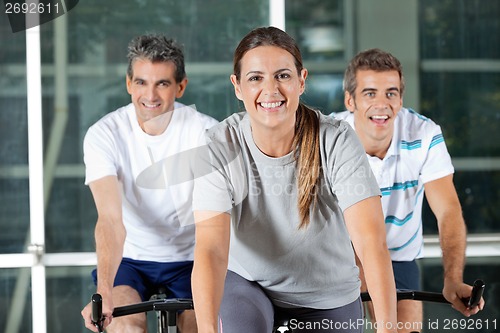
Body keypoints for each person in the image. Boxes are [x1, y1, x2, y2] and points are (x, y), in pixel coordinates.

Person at [190, 26, 398, 333]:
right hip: (248, 283)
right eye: (255, 78)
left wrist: (388, 329)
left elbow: (371, 243)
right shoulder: (219, 145)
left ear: (301, 80)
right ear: (237, 86)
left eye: (283, 76)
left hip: (326, 294)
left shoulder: (336, 140)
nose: (271, 90)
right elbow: (211, 249)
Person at [333, 48, 484, 332]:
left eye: (390, 93)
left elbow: (448, 210)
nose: (381, 104)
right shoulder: (329, 135)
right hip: (341, 254)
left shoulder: (424, 134)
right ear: (349, 100)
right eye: (370, 94)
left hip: (397, 256)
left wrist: (452, 279)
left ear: (401, 99)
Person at [80, 33, 218, 332]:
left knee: (201, 326)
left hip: (192, 257)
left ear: (181, 86)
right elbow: (110, 219)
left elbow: (215, 221)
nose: (150, 95)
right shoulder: (104, 134)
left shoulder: (206, 133)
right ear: (129, 83)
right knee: (125, 326)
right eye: (141, 82)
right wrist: (103, 289)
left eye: (162, 83)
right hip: (131, 259)